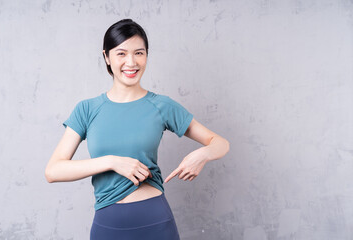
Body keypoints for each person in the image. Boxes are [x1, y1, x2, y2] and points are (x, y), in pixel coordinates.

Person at [45, 18, 230, 240]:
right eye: (121, 53)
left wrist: (202, 154)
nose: (131, 62)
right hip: (108, 225)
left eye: (139, 53)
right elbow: (53, 171)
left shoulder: (161, 105)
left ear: (146, 56)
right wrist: (112, 161)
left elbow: (220, 143)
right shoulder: (87, 109)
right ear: (106, 57)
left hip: (156, 222)